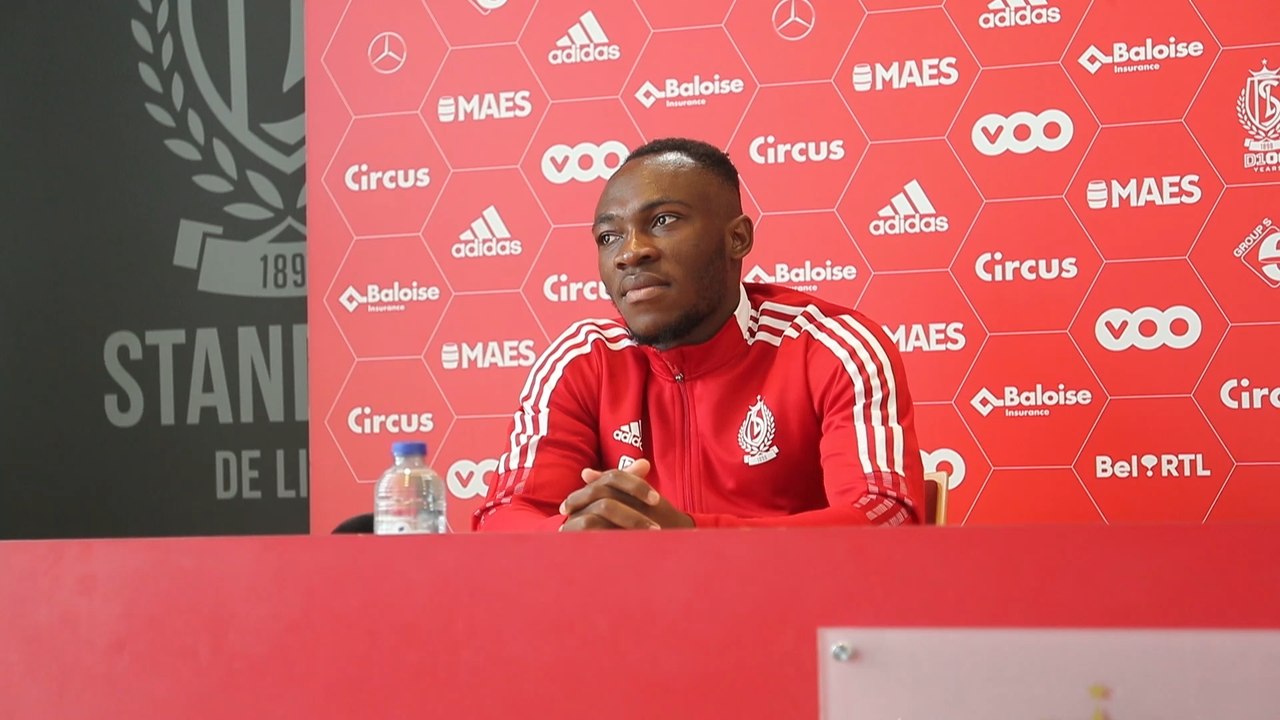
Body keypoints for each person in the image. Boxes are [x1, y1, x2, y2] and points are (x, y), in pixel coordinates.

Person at [473, 137, 924, 531]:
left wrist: (692, 539)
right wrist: (570, 538)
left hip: (797, 620)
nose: (631, 253)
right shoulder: (583, 360)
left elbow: (885, 514)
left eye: (664, 221)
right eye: (608, 236)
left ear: (738, 239)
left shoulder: (830, 346)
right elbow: (504, 516)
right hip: (629, 622)